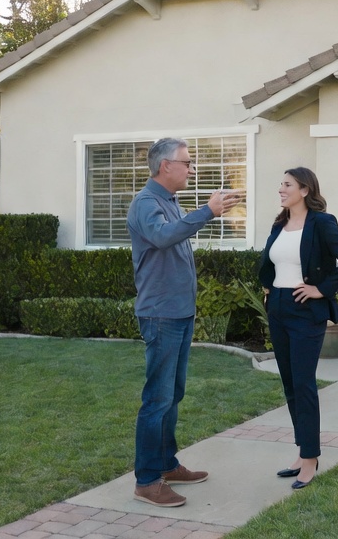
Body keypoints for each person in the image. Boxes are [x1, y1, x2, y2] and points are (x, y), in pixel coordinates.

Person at [127, 137, 241, 508]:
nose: (191, 168)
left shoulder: (169, 202)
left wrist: (209, 209)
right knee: (157, 399)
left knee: (172, 395)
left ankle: (166, 464)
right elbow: (162, 237)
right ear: (165, 167)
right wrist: (207, 211)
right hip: (161, 314)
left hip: (178, 313)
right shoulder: (147, 204)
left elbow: (174, 235)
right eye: (187, 162)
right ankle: (147, 481)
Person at [257, 167, 338, 490]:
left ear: (304, 190)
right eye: (281, 185)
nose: (280, 189)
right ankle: (302, 453)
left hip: (305, 310)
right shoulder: (280, 223)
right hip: (278, 308)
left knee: (303, 384)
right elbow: (274, 262)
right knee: (289, 383)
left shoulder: (321, 223)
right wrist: (270, 286)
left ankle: (311, 458)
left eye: (286, 185)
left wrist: (320, 289)